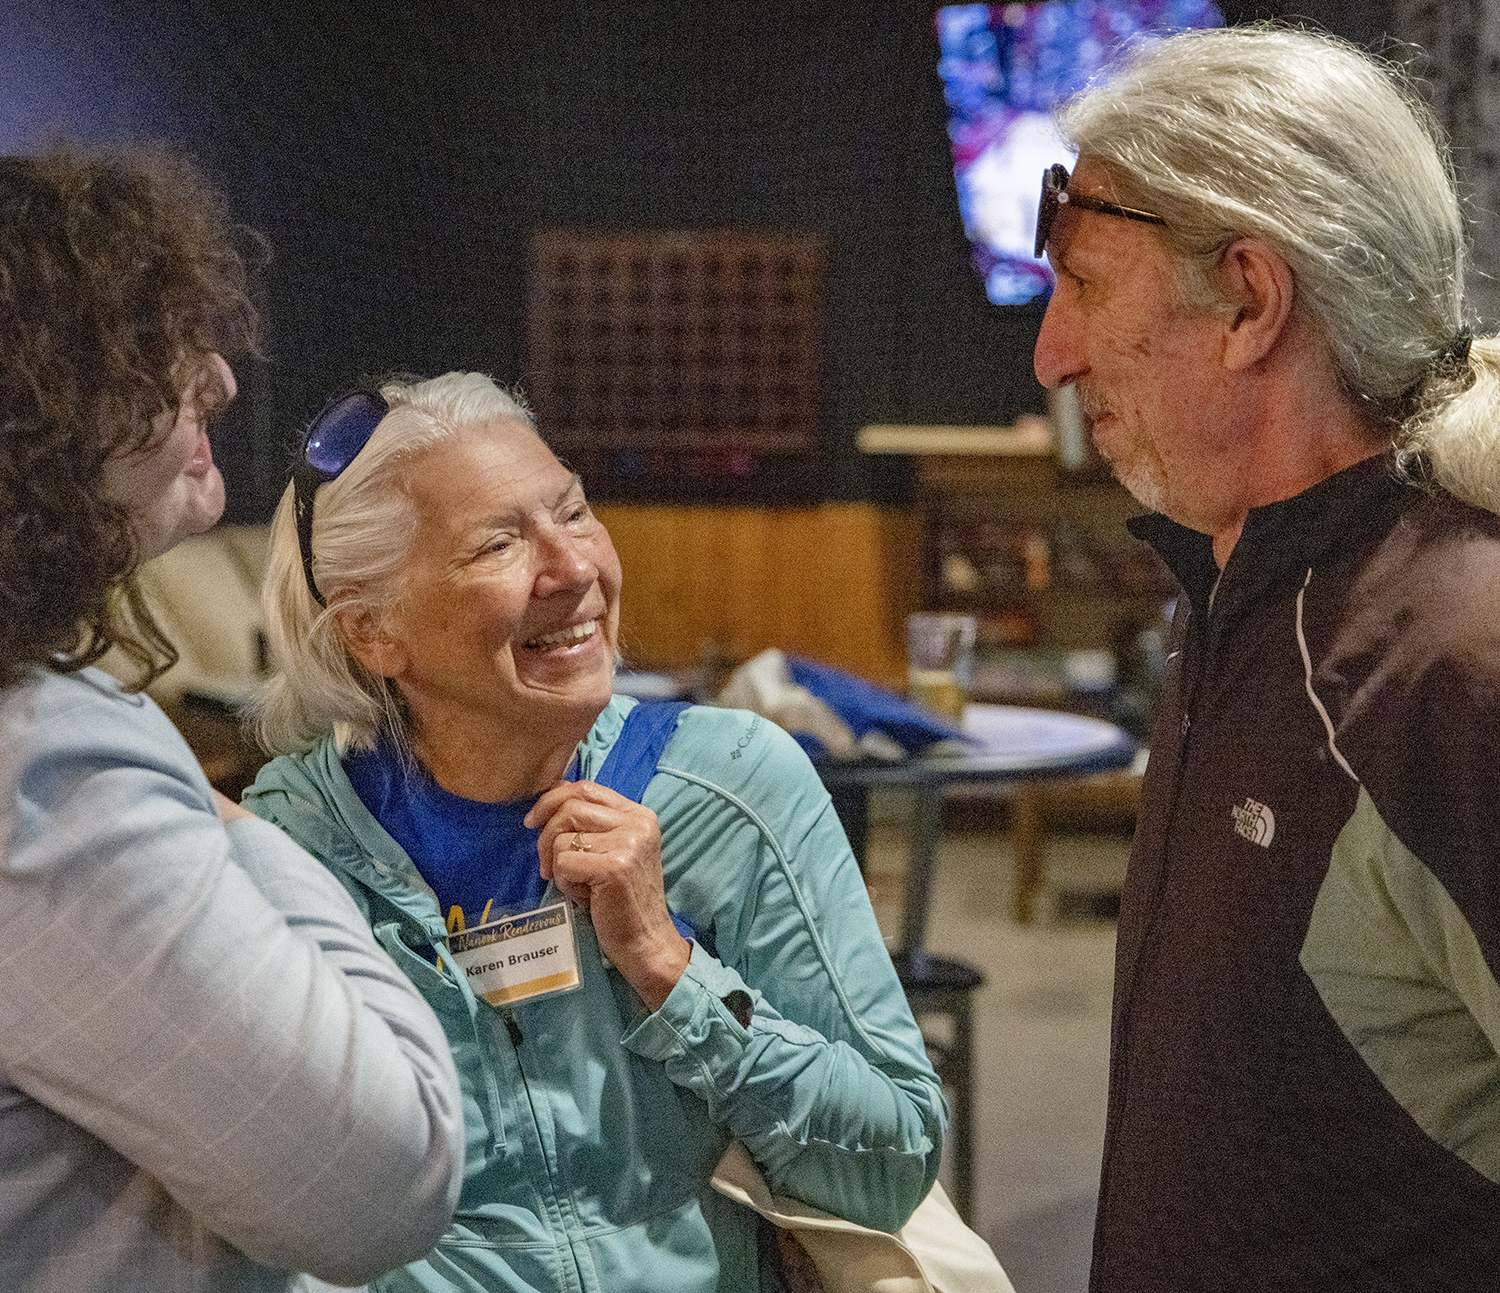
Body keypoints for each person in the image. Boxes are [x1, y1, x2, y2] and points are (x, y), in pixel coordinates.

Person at [240, 370, 946, 1293]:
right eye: (498, 543)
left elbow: (891, 1160)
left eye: (572, 511)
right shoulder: (292, 853)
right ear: (373, 631)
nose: (573, 568)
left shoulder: (729, 787)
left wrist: (668, 967)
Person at [1030, 23, 1500, 1291]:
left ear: (1249, 298)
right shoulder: (1263, 589)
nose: (1052, 355)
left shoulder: (1450, 662)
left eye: (1085, 286)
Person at [0, 145, 465, 1292]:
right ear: (38, 398)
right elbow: (390, 1176)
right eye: (154, 347)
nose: (218, 380)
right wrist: (231, 824)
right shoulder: (43, 765)